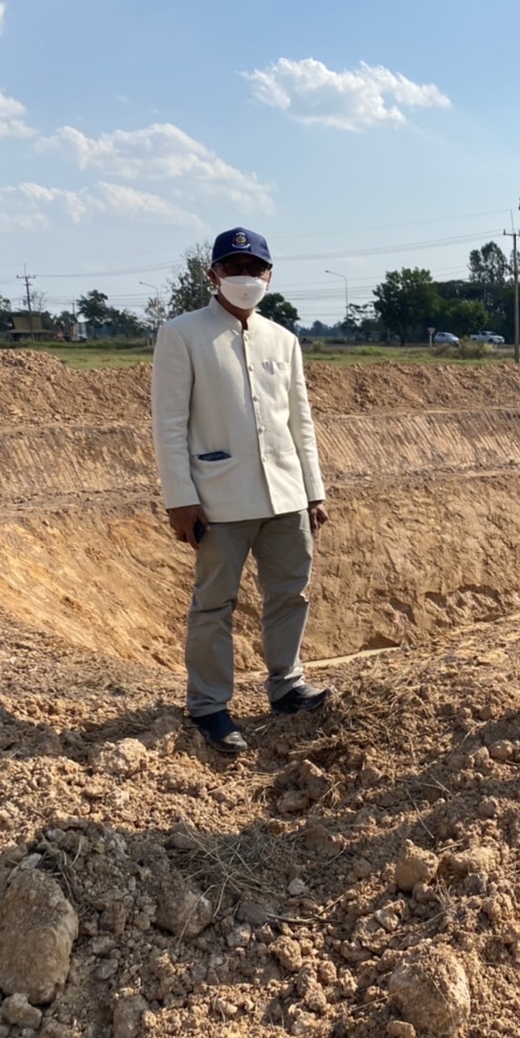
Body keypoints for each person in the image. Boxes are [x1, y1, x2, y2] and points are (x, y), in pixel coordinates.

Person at [151, 227, 331, 753]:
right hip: (217, 499)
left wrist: (313, 491)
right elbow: (168, 423)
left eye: (255, 270)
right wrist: (179, 498)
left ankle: (286, 684)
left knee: (289, 593)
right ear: (213, 276)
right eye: (234, 269)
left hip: (285, 495)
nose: (245, 278)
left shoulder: (283, 339)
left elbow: (301, 422)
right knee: (214, 604)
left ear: (270, 275)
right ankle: (209, 705)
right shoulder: (182, 334)